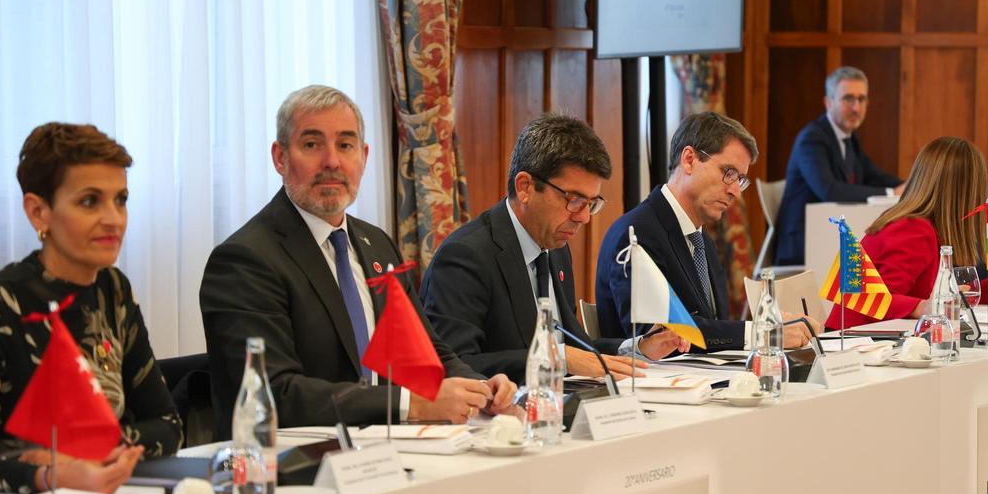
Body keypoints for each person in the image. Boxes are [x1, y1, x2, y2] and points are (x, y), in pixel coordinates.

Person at [200, 85, 516, 438]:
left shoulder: (377, 244)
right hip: (293, 466)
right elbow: (276, 394)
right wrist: (409, 404)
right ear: (280, 157)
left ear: (363, 157)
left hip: (384, 452)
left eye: (345, 145)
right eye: (311, 144)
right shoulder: (245, 260)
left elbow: (428, 350)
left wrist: (480, 387)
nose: (332, 162)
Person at [421, 114, 687, 383]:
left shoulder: (555, 248)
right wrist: (554, 357)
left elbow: (575, 347)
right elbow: (455, 365)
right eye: (574, 200)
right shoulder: (466, 257)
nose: (584, 217)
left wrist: (637, 348)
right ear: (525, 187)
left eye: (592, 203)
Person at [0, 123, 181, 494]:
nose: (113, 218)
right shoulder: (5, 303)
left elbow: (167, 424)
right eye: (89, 201)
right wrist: (51, 474)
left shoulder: (113, 289)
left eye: (121, 199)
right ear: (38, 213)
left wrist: (83, 453)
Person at [596, 112, 821, 350]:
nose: (736, 191)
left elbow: (710, 327)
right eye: (729, 174)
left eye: (740, 179)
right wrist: (761, 333)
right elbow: (658, 335)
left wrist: (770, 323)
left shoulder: (703, 241)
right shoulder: (636, 234)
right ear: (690, 159)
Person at [827, 137, 988, 329]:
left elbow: (957, 296)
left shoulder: (927, 225)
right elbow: (877, 300)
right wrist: (923, 306)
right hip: (853, 346)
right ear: (965, 190)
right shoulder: (914, 229)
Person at [775, 67, 905, 265]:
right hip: (803, 245)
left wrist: (911, 187)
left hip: (831, 238)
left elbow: (874, 176)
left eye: (862, 99)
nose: (856, 107)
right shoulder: (811, 139)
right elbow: (829, 191)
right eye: (848, 99)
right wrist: (892, 193)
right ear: (828, 102)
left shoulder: (850, 139)